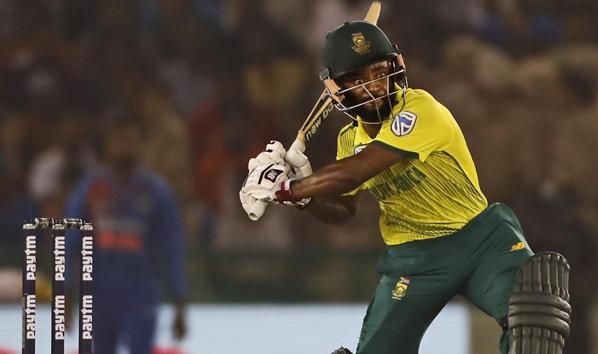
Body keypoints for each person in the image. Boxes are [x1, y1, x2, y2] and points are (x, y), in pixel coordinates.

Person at [240, 21, 571, 354]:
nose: (373, 86)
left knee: (535, 314)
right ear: (337, 89)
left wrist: (285, 188)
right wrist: (305, 198)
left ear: (395, 66)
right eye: (357, 79)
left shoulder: (419, 109)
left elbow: (356, 172)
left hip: (480, 240)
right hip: (413, 260)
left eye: (378, 71)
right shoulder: (348, 140)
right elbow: (343, 210)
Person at [64, 117, 188, 354]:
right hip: (99, 294)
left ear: (140, 144)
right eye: (119, 140)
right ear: (109, 145)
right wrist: (65, 293)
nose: (124, 146)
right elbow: (70, 242)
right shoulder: (91, 188)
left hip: (140, 294)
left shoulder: (156, 192)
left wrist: (179, 299)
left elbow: (173, 247)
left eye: (130, 140)